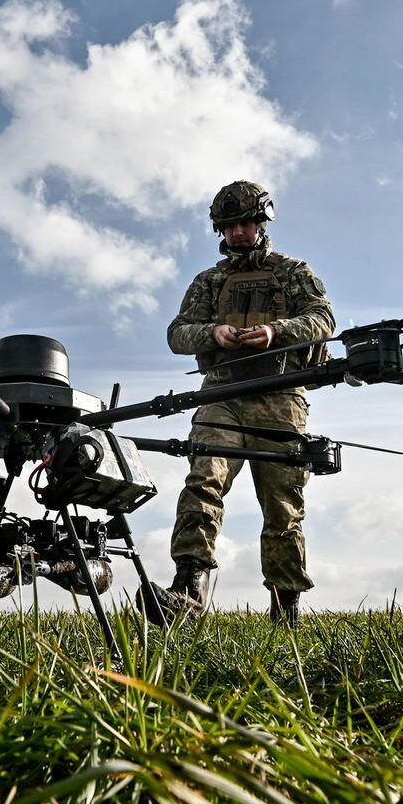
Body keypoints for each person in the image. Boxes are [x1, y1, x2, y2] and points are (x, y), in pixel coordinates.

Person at [153, 181, 335, 626]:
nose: (237, 232)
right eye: (229, 225)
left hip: (280, 398)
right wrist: (212, 333)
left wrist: (276, 332)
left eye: (245, 223)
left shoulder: (293, 271)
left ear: (262, 222)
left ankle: (286, 610)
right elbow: (178, 332)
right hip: (222, 396)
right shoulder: (209, 281)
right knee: (203, 481)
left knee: (282, 503)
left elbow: (322, 319)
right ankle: (188, 592)